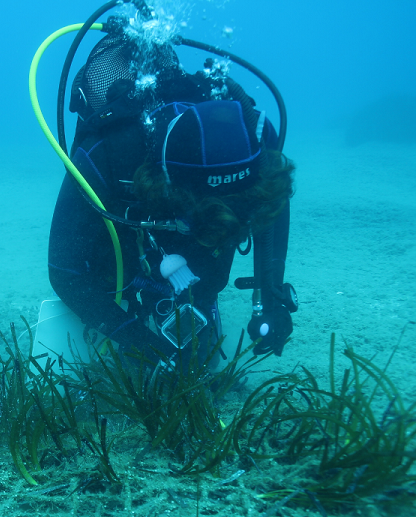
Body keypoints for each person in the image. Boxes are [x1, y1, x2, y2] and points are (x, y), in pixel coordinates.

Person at [47, 31, 297, 365]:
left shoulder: (254, 140)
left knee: (201, 353)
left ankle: (195, 300)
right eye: (206, 223)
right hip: (128, 246)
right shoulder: (107, 155)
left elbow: (273, 204)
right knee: (109, 277)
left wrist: (271, 297)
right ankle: (139, 297)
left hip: (191, 270)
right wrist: (144, 345)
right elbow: (65, 273)